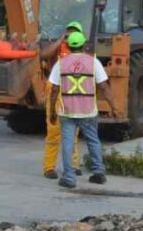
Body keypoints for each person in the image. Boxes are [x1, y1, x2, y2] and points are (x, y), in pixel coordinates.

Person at [48, 31, 120, 189]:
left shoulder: (60, 63)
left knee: (67, 142)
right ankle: (99, 173)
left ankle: (69, 178)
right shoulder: (94, 62)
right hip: (88, 110)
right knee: (93, 140)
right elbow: (104, 87)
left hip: (67, 110)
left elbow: (54, 90)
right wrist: (114, 107)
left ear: (67, 45)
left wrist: (52, 112)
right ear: (84, 45)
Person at [40, 21, 83, 179]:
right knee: (54, 131)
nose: (71, 36)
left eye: (74, 32)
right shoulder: (57, 47)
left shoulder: (82, 52)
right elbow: (43, 56)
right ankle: (49, 167)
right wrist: (59, 41)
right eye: (69, 32)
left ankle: (73, 164)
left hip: (73, 92)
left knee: (73, 132)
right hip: (56, 90)